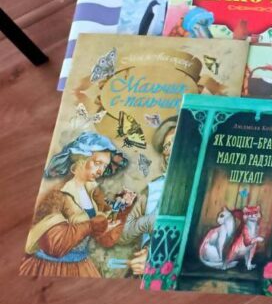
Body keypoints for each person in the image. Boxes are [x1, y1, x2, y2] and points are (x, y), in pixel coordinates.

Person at [21, 131, 135, 277]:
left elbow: (106, 240)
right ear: (81, 159)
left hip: (81, 264)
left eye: (104, 166)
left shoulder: (94, 194)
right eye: (97, 163)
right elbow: (54, 245)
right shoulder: (58, 194)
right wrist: (91, 226)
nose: (100, 170)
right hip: (52, 267)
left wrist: (122, 210)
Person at [121, 117, 176, 276]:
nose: (169, 151)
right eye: (166, 146)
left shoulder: (202, 187)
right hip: (142, 270)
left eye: (175, 143)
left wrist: (154, 256)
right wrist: (148, 222)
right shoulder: (153, 187)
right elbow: (124, 234)